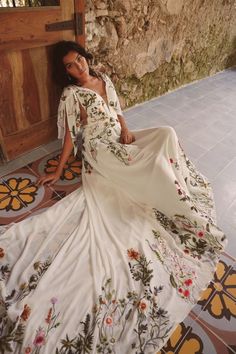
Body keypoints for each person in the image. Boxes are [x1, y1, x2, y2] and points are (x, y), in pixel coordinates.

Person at [0, 41, 227, 354]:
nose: (78, 67)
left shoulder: (104, 80)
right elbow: (71, 136)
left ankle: (177, 189)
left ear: (86, 57)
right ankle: (181, 213)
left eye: (79, 59)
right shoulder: (71, 95)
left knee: (165, 133)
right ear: (64, 71)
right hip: (99, 151)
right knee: (152, 163)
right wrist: (61, 168)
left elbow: (118, 112)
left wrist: (127, 131)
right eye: (70, 65)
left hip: (118, 140)